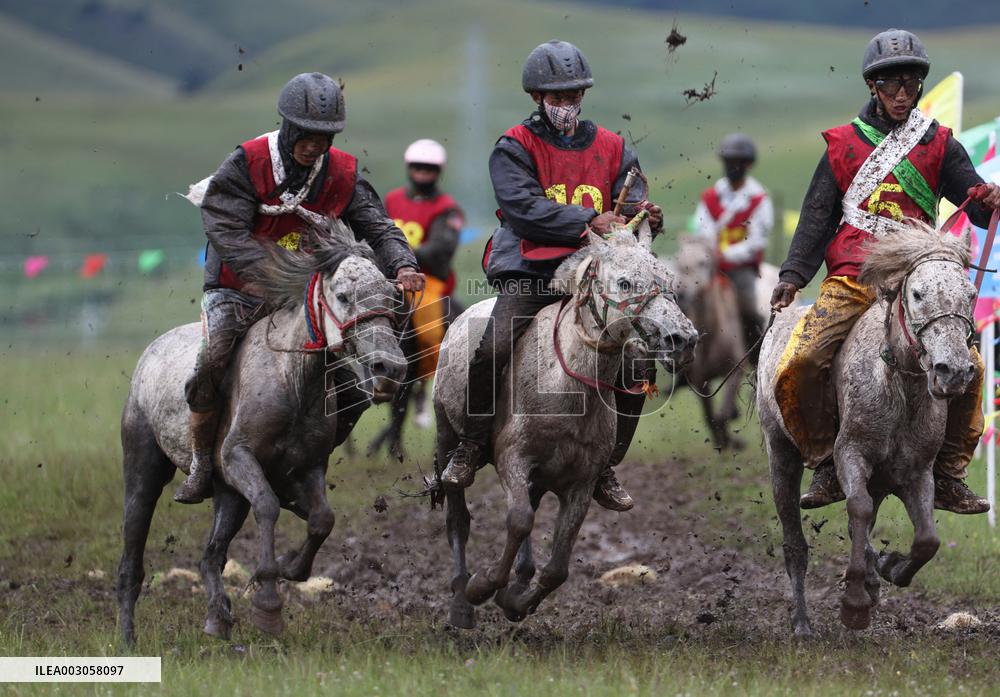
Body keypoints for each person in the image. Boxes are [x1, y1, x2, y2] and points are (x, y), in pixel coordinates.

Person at [770, 29, 1000, 514]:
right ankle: (826, 459)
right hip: (855, 276)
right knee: (804, 359)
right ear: (873, 87)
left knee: (972, 366)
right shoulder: (842, 145)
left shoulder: (938, 143)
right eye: (892, 85)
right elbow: (817, 216)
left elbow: (975, 205)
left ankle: (949, 473)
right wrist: (792, 275)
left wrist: (990, 198)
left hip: (921, 279)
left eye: (911, 84)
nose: (902, 94)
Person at [175, 72, 425, 504]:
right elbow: (223, 227)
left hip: (306, 298)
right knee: (214, 358)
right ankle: (200, 462)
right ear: (287, 125)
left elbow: (378, 227)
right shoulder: (246, 163)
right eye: (307, 135)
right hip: (238, 287)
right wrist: (274, 276)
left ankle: (306, 456)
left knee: (354, 378)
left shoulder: (342, 172)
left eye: (325, 136)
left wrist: (403, 263)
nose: (315, 145)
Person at [439, 40, 664, 512]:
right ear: (537, 98)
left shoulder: (613, 146)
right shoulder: (513, 147)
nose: (566, 105)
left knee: (639, 360)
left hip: (595, 279)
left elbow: (631, 202)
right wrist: (588, 220)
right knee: (493, 345)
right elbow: (523, 209)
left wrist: (646, 218)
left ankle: (605, 462)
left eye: (573, 96)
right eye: (557, 97)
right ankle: (472, 443)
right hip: (531, 270)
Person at [384, 139, 464, 393]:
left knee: (430, 336)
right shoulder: (392, 200)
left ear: (438, 172)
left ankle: (424, 381)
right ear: (409, 168)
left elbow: (441, 247)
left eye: (429, 169)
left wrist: (401, 255)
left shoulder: (448, 209)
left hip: (427, 281)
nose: (422, 173)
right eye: (418, 168)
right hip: (391, 278)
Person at [694, 133, 773, 363]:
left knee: (749, 309)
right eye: (728, 162)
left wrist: (725, 254)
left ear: (747, 165)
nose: (731, 167)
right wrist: (710, 251)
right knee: (686, 298)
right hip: (710, 268)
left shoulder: (759, 199)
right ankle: (683, 362)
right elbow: (702, 228)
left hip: (740, 270)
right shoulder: (710, 197)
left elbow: (756, 241)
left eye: (737, 163)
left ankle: (758, 358)